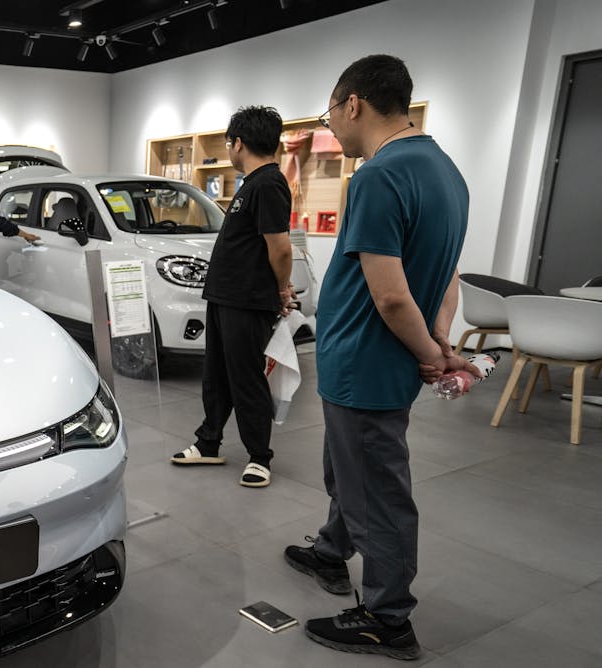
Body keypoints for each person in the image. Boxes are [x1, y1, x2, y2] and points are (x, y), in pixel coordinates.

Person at [283, 54, 474, 661]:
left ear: (353, 104)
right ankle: (332, 551)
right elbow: (448, 276)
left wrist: (428, 355)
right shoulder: (446, 172)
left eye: (330, 113)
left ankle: (388, 618)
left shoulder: (378, 177)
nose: (332, 127)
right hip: (377, 365)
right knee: (351, 469)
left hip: (366, 362)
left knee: (377, 492)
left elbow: (391, 297)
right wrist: (441, 338)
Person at [170, 106, 294, 489]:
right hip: (226, 297)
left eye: (229, 143)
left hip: (248, 300)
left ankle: (260, 456)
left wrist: (282, 289)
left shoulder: (269, 184)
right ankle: (209, 441)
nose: (229, 150)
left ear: (238, 143)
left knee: (246, 379)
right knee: (217, 376)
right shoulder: (253, 184)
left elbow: (281, 248)